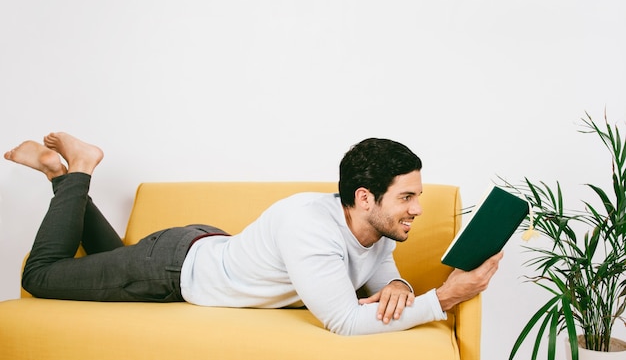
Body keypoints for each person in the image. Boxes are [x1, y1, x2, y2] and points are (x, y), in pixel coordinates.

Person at [4, 133, 502, 336]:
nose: (418, 207)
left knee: (107, 261)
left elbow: (376, 266)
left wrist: (397, 286)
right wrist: (446, 296)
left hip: (191, 247)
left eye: (417, 195)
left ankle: (58, 172)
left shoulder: (375, 226)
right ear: (366, 197)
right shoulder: (310, 227)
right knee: (44, 275)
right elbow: (346, 323)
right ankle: (77, 170)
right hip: (169, 272)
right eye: (407, 197)